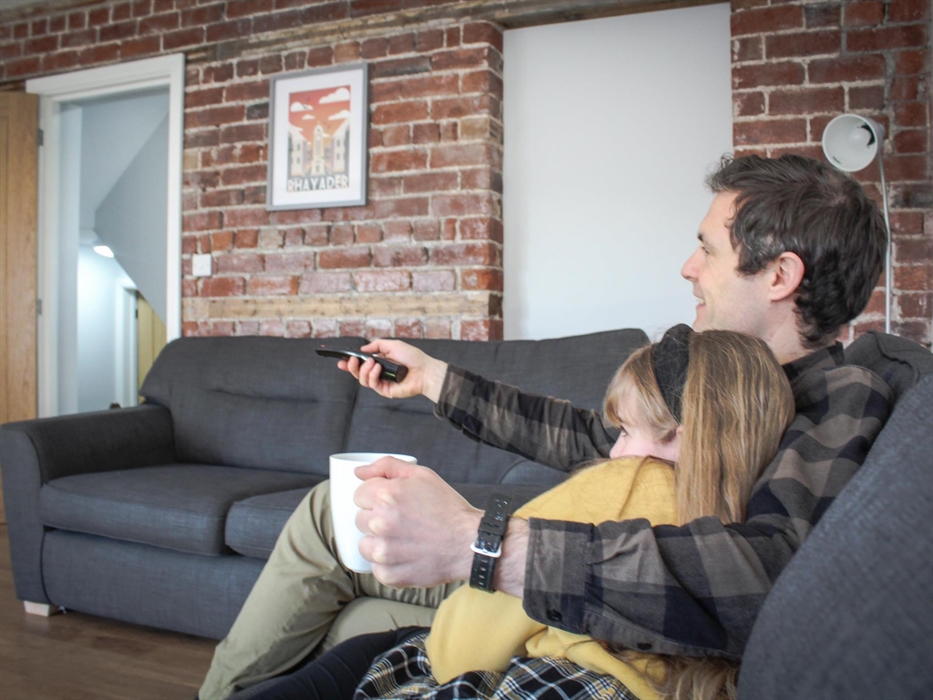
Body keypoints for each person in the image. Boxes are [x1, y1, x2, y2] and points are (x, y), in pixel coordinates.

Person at [199, 154, 892, 699]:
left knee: (335, 525)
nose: (687, 267)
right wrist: (434, 379)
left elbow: (761, 577)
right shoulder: (719, 372)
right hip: (574, 569)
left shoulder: (836, 399)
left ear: (778, 274)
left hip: (588, 601)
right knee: (349, 583)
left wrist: (482, 545)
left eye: (706, 249)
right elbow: (596, 439)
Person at [243, 326, 796, 700]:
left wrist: (471, 537)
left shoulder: (642, 480)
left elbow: (463, 647)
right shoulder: (732, 477)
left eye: (625, 432)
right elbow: (570, 433)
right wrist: (433, 378)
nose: (615, 451)